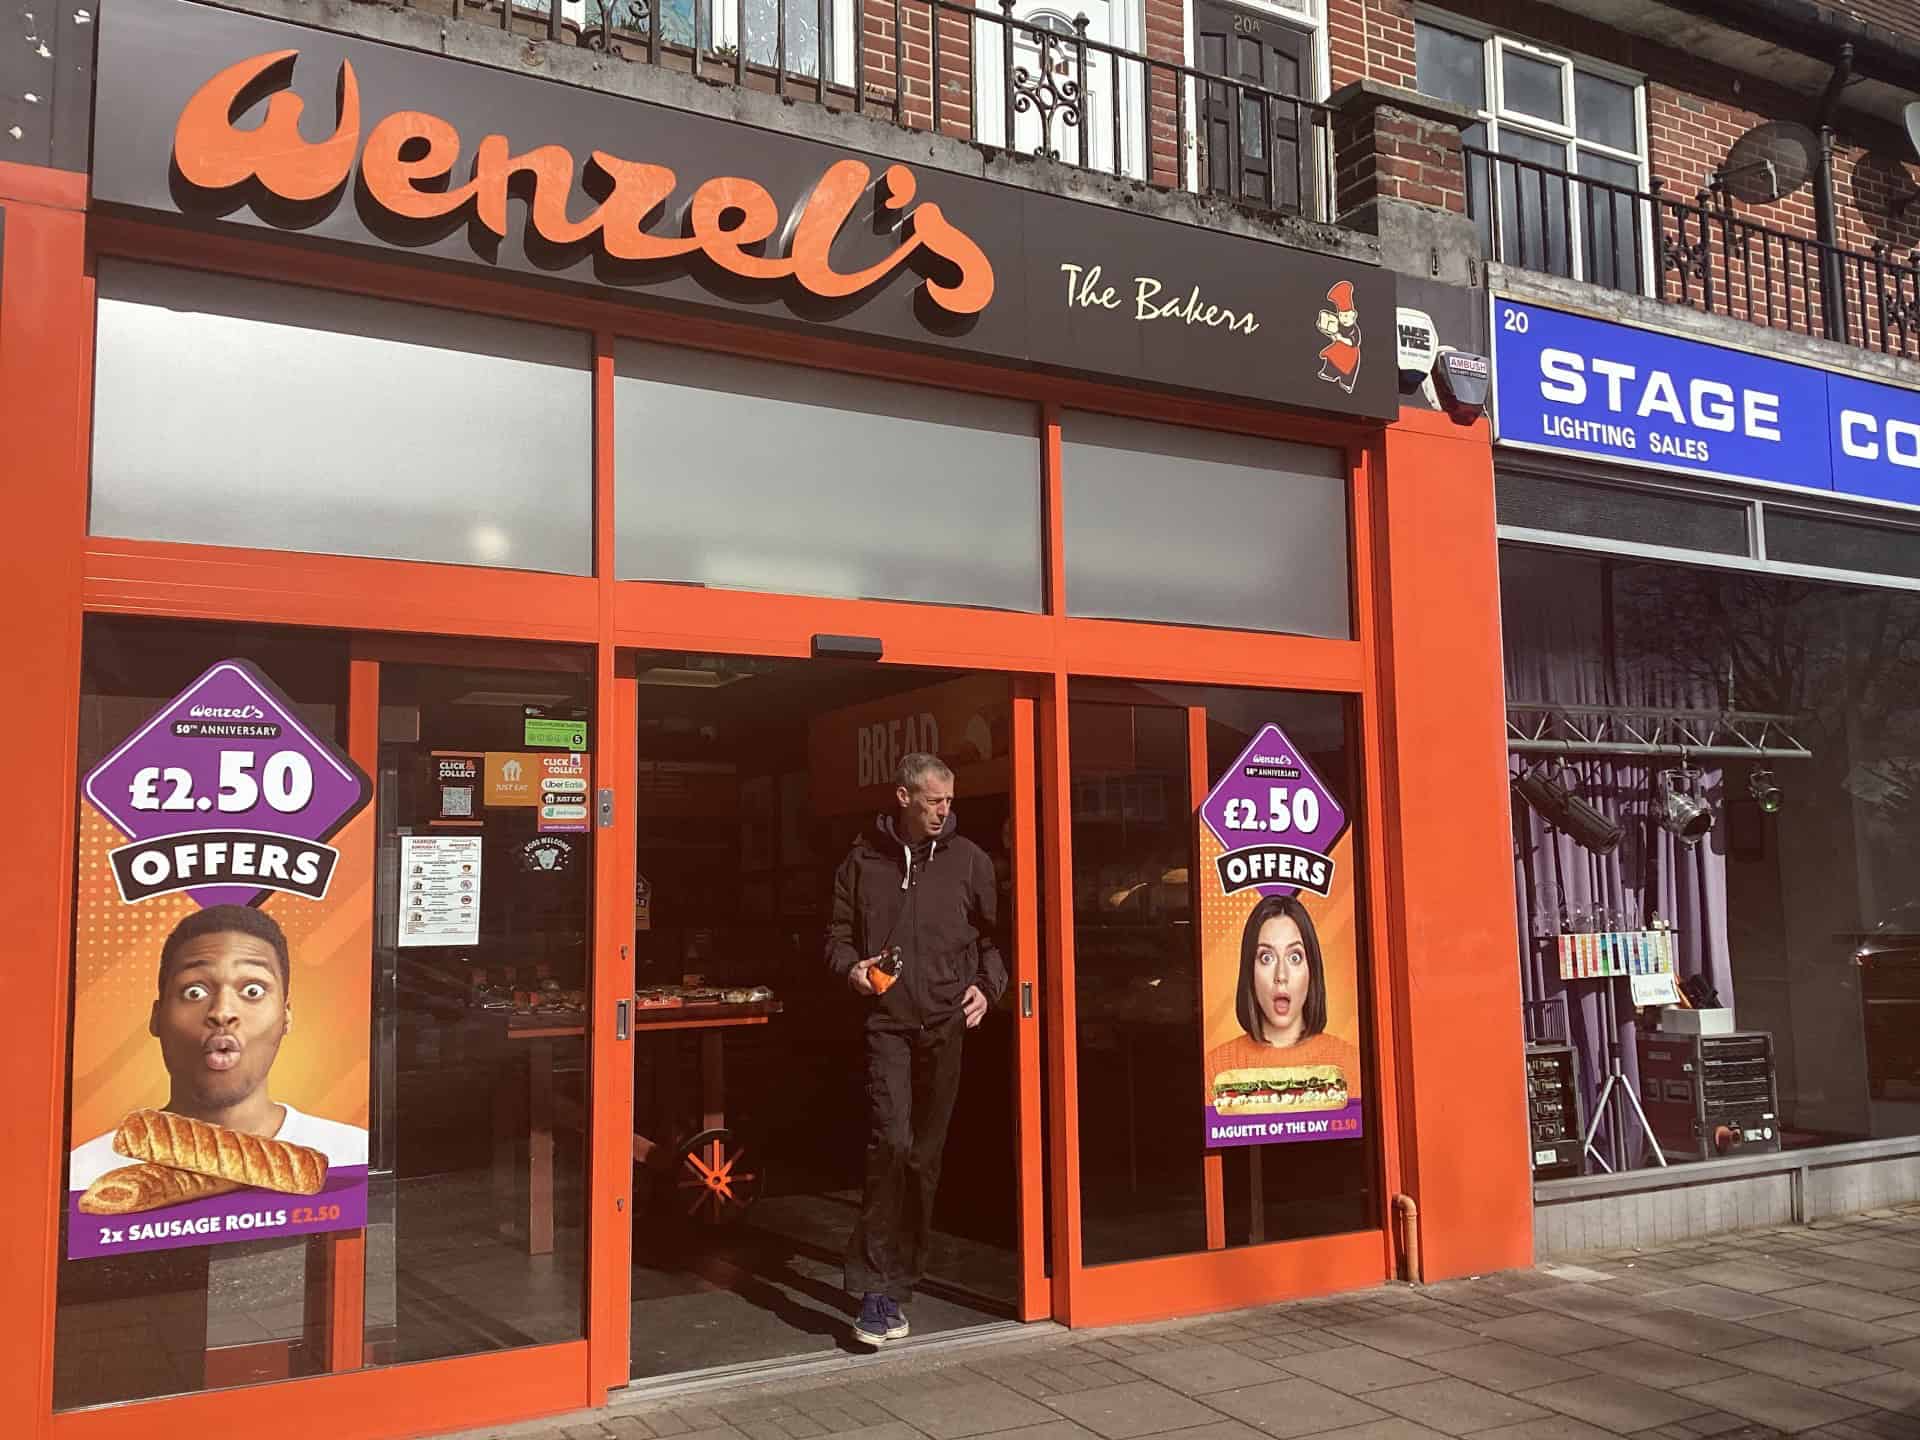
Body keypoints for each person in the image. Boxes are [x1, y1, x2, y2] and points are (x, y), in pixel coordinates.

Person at [826, 752, 1006, 1348]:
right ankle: (875, 1291)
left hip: (945, 1028)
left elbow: (992, 942)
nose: (943, 812)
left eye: (949, 802)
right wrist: (852, 971)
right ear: (904, 798)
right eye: (934, 801)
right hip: (888, 1026)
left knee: (924, 1158)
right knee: (892, 1142)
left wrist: (988, 988)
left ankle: (900, 1281)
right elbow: (837, 939)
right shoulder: (860, 863)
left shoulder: (971, 862)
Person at [68, 904, 367, 1191]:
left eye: (253, 990)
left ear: (285, 1016)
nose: (222, 1012)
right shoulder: (88, 1174)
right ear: (157, 1017)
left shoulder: (352, 1156)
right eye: (194, 991)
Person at [1203, 892, 1362, 1103]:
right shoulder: (1215, 1069)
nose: (1281, 976)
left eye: (1295, 957)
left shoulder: (1350, 1064)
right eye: (1266, 957)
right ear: (1249, 971)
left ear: (1311, 969)